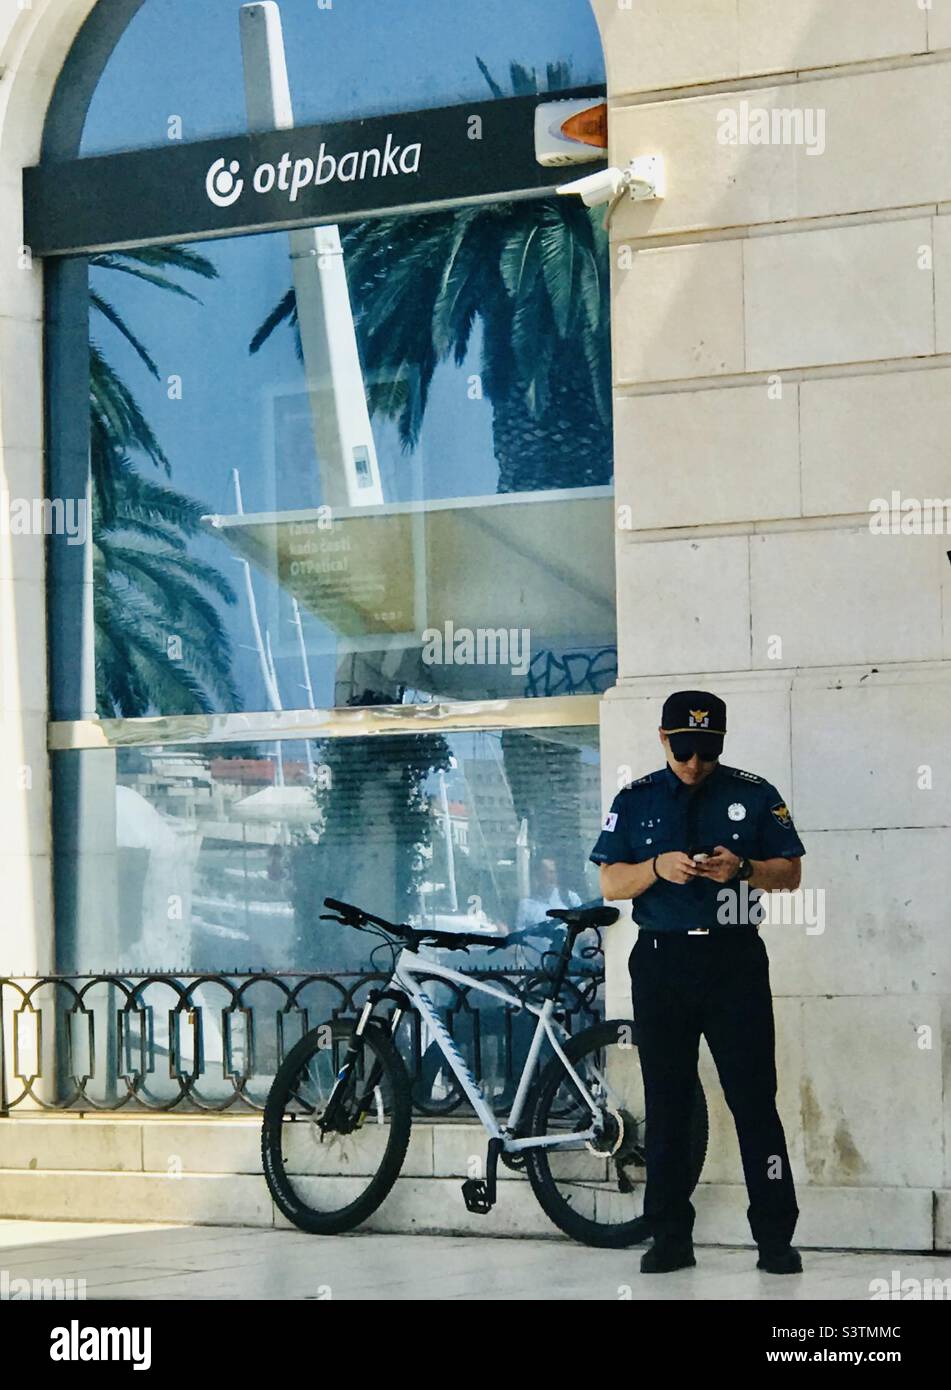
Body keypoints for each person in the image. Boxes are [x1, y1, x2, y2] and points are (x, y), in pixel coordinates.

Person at [589, 691, 805, 1276]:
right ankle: (670, 1236)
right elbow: (611, 882)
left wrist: (744, 869)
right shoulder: (635, 801)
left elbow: (791, 872)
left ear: (722, 744)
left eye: (705, 752)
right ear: (663, 739)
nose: (693, 763)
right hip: (662, 963)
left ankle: (776, 1238)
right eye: (683, 749)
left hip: (733, 963)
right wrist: (657, 867)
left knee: (754, 1100)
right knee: (668, 1102)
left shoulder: (753, 793)